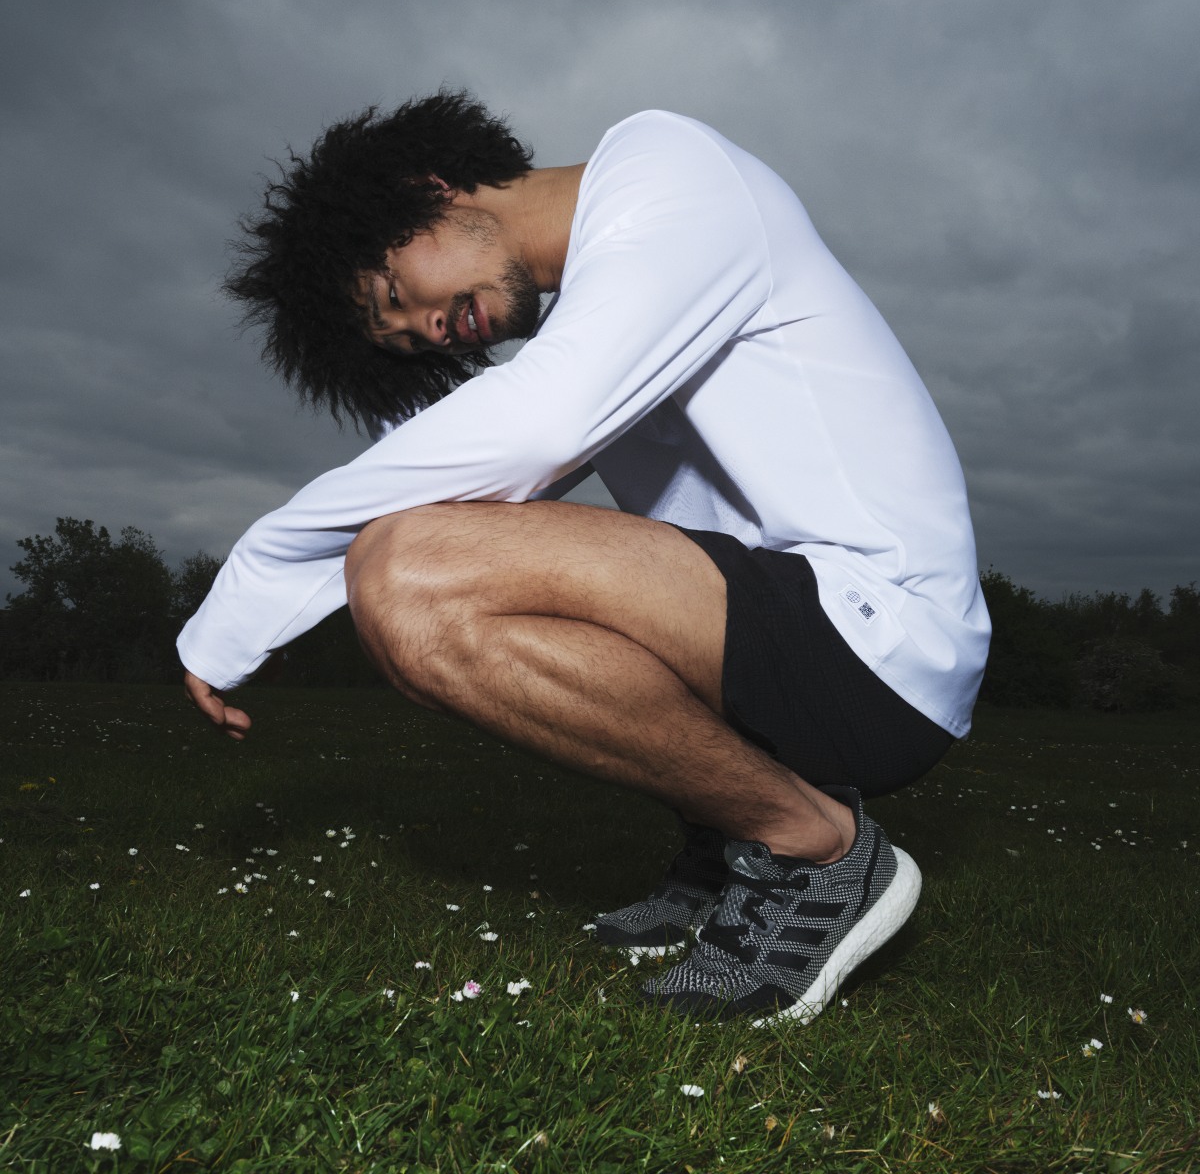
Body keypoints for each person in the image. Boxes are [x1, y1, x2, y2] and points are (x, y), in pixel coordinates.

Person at [179, 91, 990, 1024]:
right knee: (416, 581)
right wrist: (303, 605)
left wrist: (261, 572)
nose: (429, 331)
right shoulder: (592, 302)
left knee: (409, 573)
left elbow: (529, 428)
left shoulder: (672, 176)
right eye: (404, 340)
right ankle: (729, 839)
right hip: (779, 633)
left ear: (423, 191)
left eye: (398, 298)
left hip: (881, 640)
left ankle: (816, 851)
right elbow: (475, 490)